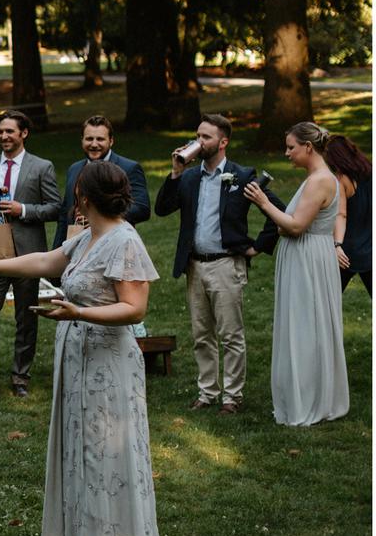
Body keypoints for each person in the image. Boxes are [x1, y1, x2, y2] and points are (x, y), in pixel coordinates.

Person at [0, 161, 168, 536]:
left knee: (105, 453)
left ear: (84, 197)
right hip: (79, 362)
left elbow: (135, 310)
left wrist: (79, 312)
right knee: (79, 450)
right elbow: (44, 260)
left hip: (109, 366)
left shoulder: (125, 241)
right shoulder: (88, 238)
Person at [153, 113, 260, 415]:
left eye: (206, 137)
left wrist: (258, 246)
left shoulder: (240, 175)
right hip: (195, 266)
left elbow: (274, 207)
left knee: (230, 334)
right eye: (197, 136)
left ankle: (232, 396)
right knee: (202, 334)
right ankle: (208, 392)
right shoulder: (189, 176)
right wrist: (175, 172)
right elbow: (162, 209)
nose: (199, 142)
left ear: (223, 142)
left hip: (226, 264)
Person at [243, 122, 349, 427]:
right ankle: (308, 394)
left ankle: (310, 400)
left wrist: (263, 202)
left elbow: (295, 226)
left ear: (308, 147)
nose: (286, 152)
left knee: (306, 326)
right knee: (303, 323)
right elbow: (288, 223)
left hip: (308, 257)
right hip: (303, 255)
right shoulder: (315, 178)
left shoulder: (319, 181)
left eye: (291, 147)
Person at [0, 110, 61, 398]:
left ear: (24, 134)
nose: (4, 136)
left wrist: (25, 210)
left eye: (10, 131)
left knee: (26, 318)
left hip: (27, 255)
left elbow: (55, 207)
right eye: (1, 132)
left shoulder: (42, 167)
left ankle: (21, 377)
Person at [52, 115, 150, 246]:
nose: (94, 144)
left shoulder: (129, 168)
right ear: (82, 140)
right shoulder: (74, 169)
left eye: (100, 139)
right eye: (89, 139)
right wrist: (57, 248)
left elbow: (142, 209)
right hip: (76, 244)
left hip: (114, 243)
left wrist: (100, 216)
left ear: (111, 141)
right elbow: (65, 215)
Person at [324, 134, 372, 294]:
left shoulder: (341, 179)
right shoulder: (370, 171)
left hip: (347, 250)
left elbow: (341, 214)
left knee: (328, 301)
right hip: (370, 248)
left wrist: (336, 245)